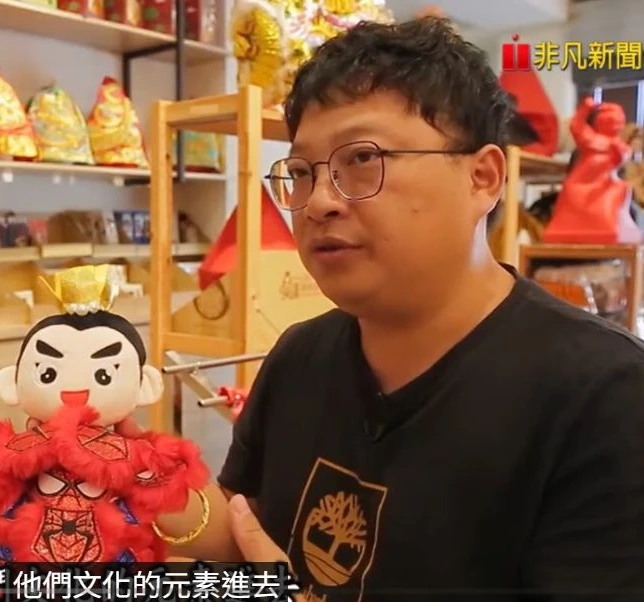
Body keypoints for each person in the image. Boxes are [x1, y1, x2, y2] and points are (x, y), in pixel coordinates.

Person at [123, 16, 644, 601]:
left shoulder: (608, 396)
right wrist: (131, 472)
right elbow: (246, 536)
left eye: (363, 159)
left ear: (482, 178)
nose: (318, 202)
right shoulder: (299, 355)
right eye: (302, 172)